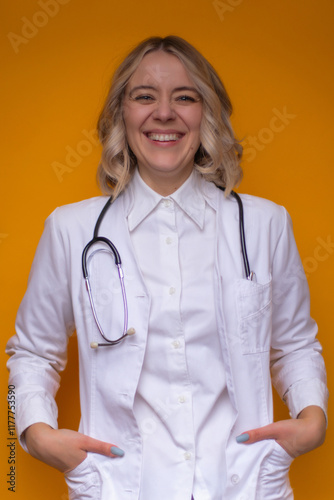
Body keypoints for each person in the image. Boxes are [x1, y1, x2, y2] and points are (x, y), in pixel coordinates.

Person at [6, 36, 328, 500]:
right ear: (123, 114)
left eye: (184, 97)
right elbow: (31, 354)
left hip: (243, 485)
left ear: (207, 113)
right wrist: (32, 433)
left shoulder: (263, 225)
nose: (164, 113)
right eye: (144, 97)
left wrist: (313, 417)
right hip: (118, 486)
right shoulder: (70, 230)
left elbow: (296, 344)